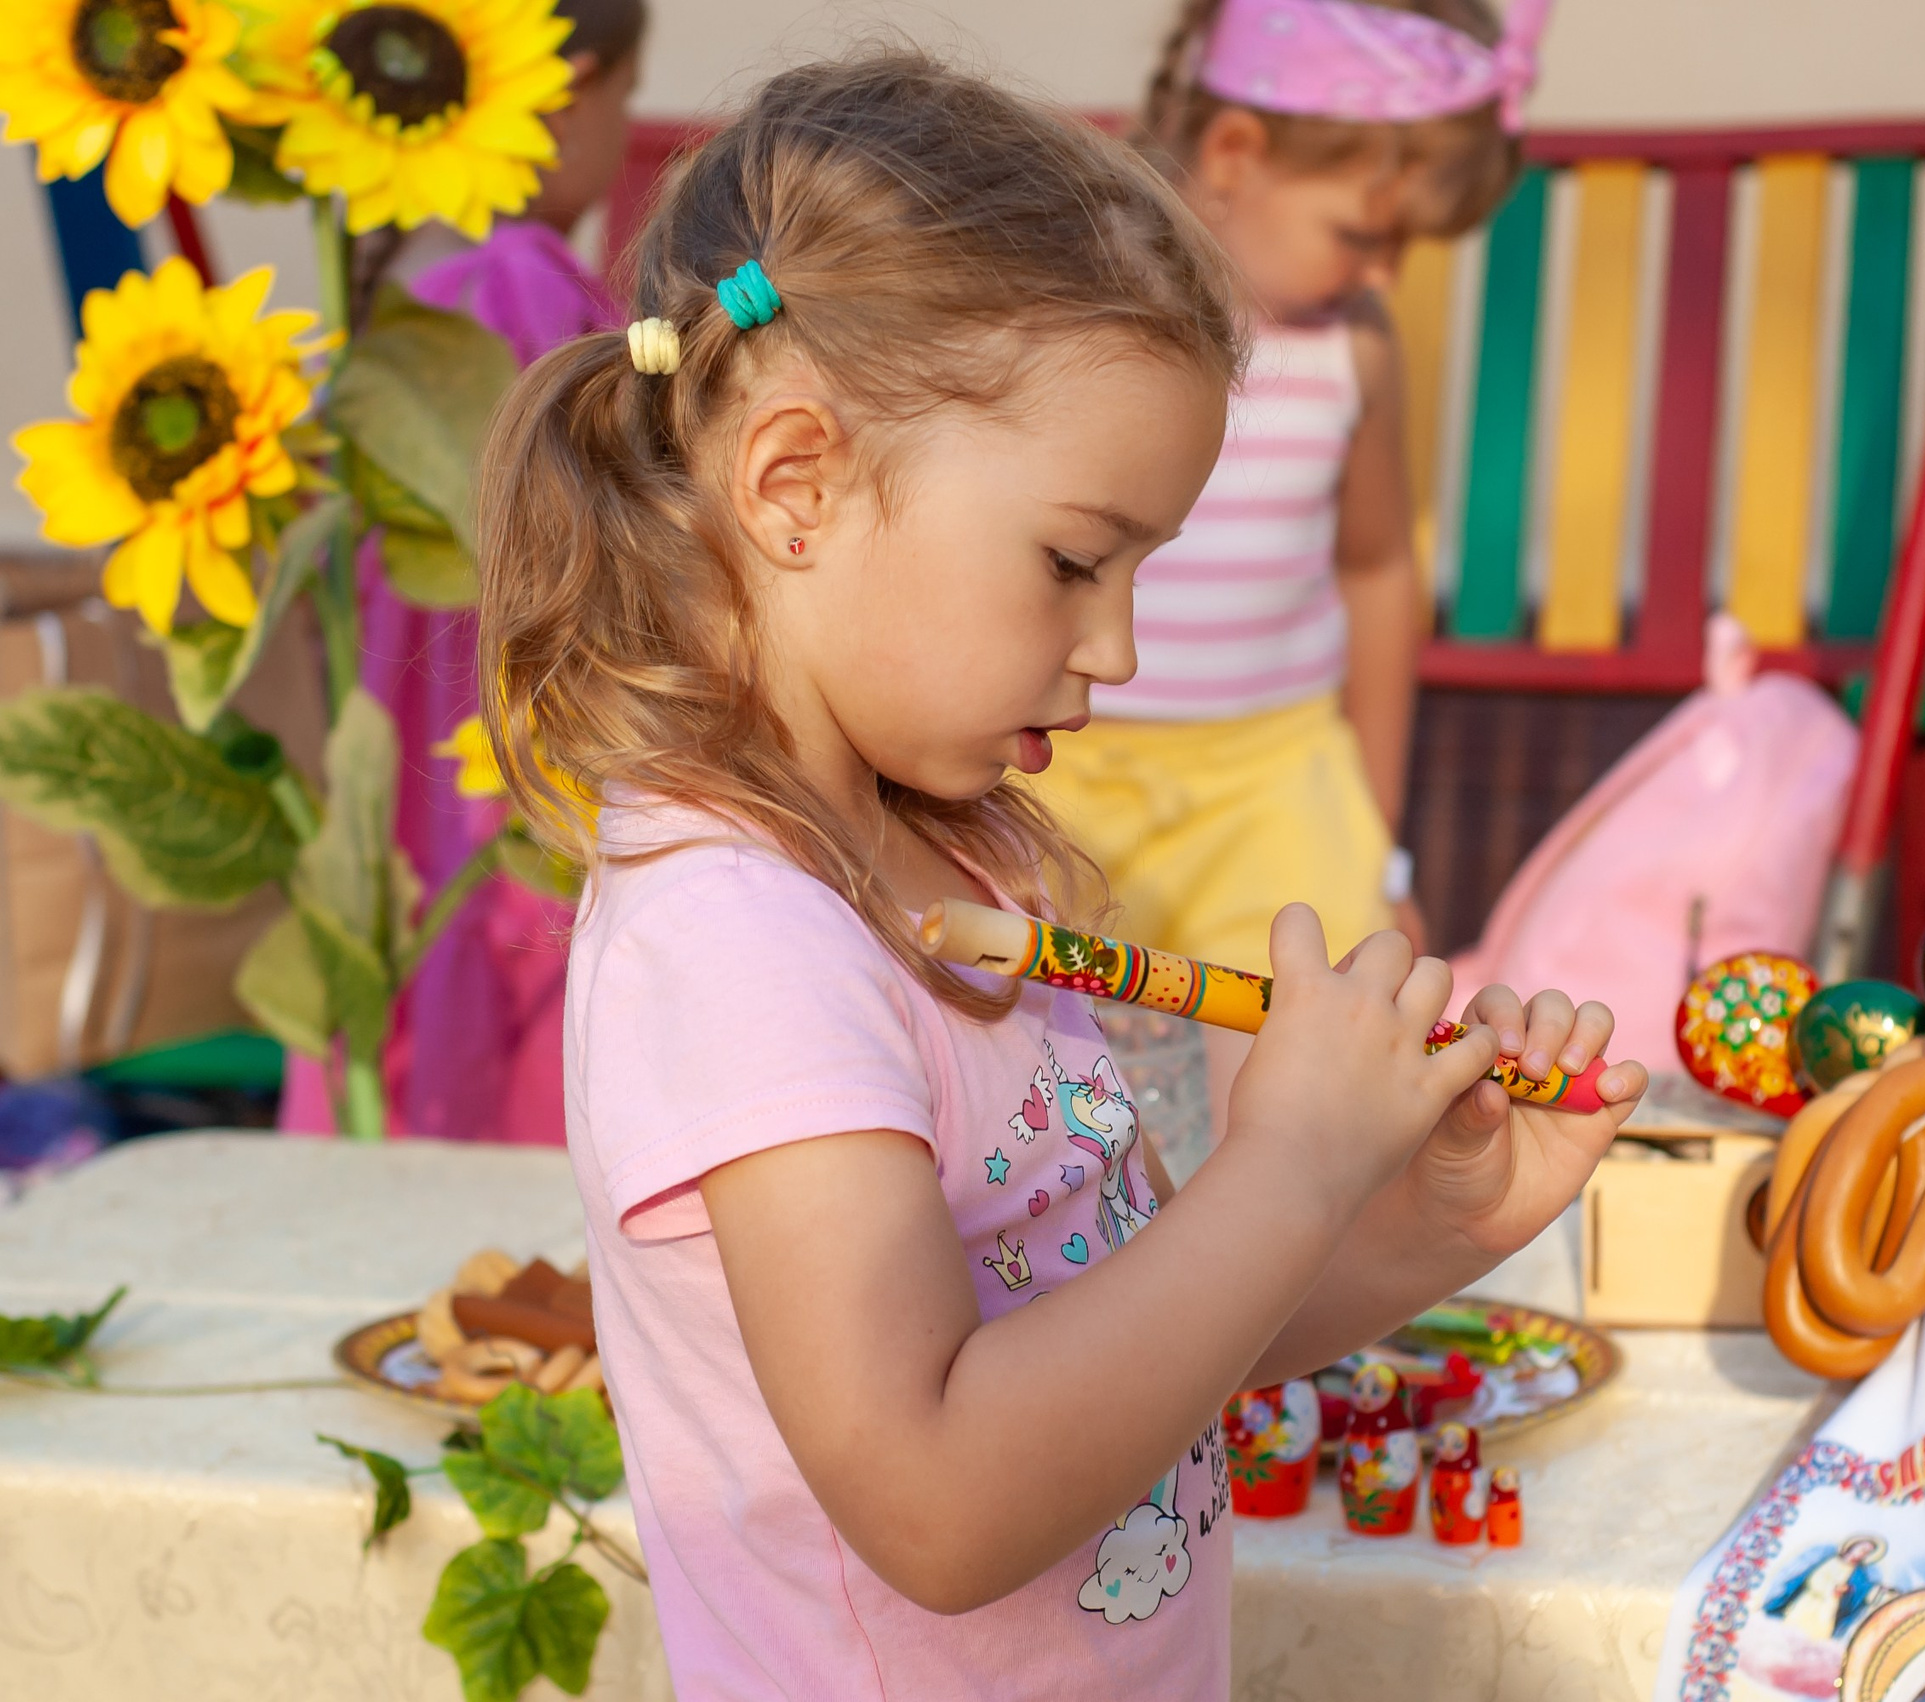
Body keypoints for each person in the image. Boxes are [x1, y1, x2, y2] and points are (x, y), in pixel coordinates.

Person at [472, 54, 1640, 1700]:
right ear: (795, 482)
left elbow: (1119, 1351)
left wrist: (1419, 1227)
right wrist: (1289, 1162)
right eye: (1074, 561)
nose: (1121, 648)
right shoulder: (735, 934)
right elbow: (942, 1499)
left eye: (1140, 571)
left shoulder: (932, 848)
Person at [1025, 0, 1539, 979]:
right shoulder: (1071, 312)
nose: (1384, 272)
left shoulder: (1354, 343)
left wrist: (1374, 841)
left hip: (1269, 778)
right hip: (1060, 759)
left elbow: (1378, 569)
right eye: (1361, 234)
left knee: (1325, 1007)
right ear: (1233, 153)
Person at [277, 0, 641, 1142]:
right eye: (624, 105)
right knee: (513, 1045)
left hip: (400, 749)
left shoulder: (397, 282)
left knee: (404, 1046)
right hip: (515, 746)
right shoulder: (516, 284)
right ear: (570, 83)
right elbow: (596, 540)